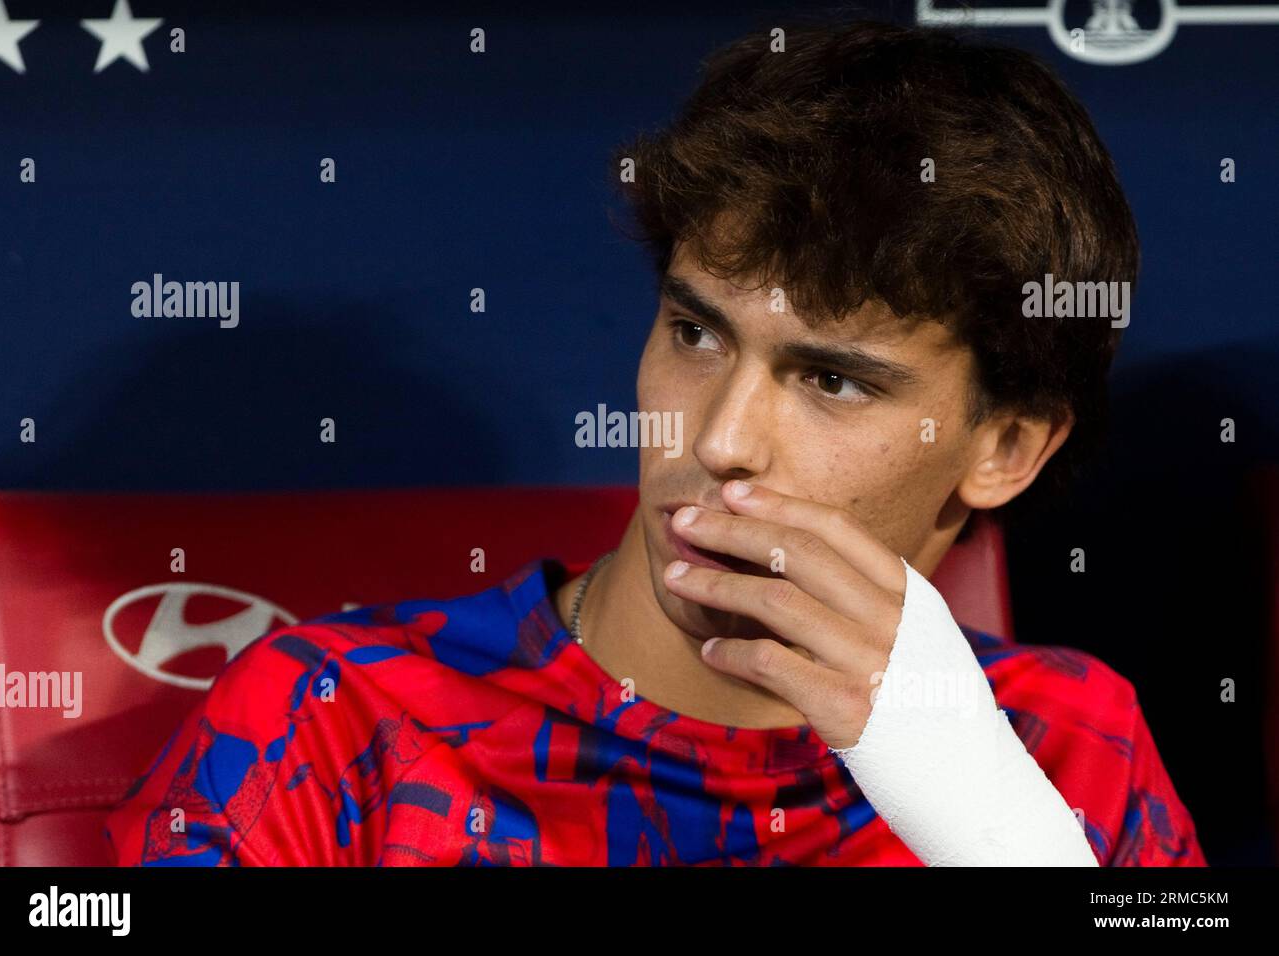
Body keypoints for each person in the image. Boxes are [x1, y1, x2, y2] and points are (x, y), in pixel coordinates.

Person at [106, 17, 1205, 866]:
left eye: (829, 379)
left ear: (1004, 447)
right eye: (695, 331)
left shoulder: (1066, 749)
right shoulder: (334, 722)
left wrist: (1001, 831)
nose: (720, 440)